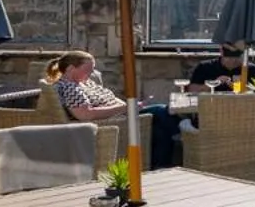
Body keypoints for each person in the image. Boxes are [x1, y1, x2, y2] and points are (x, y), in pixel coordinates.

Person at [45, 51, 178, 169]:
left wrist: (130, 106)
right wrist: (126, 107)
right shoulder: (69, 87)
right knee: (161, 113)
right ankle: (169, 155)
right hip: (110, 121)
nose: (91, 73)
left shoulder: (85, 82)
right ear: (70, 68)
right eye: (88, 70)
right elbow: (85, 115)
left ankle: (160, 163)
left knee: (161, 124)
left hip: (120, 115)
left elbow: (113, 100)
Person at [184, 44, 255, 93]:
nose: (234, 60)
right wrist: (213, 84)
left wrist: (241, 86)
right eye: (230, 56)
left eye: (237, 56)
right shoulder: (205, 67)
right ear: (221, 52)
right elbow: (191, 90)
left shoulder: (253, 70)